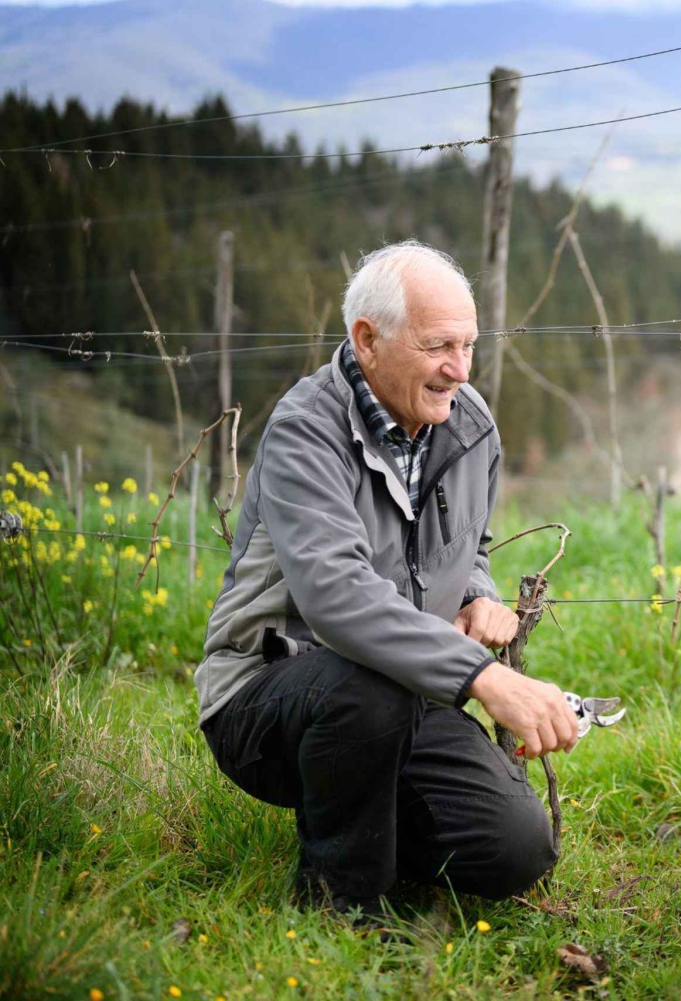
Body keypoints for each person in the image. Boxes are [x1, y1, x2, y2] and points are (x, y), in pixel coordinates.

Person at [195, 240, 578, 916]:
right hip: (271, 696)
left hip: (409, 692)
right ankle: (338, 903)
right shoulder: (304, 432)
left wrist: (479, 592)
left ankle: (360, 811)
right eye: (437, 346)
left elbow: (470, 545)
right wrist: (485, 676)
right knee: (365, 687)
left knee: (516, 848)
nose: (459, 370)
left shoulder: (470, 426)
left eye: (469, 345)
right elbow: (337, 599)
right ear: (368, 341)